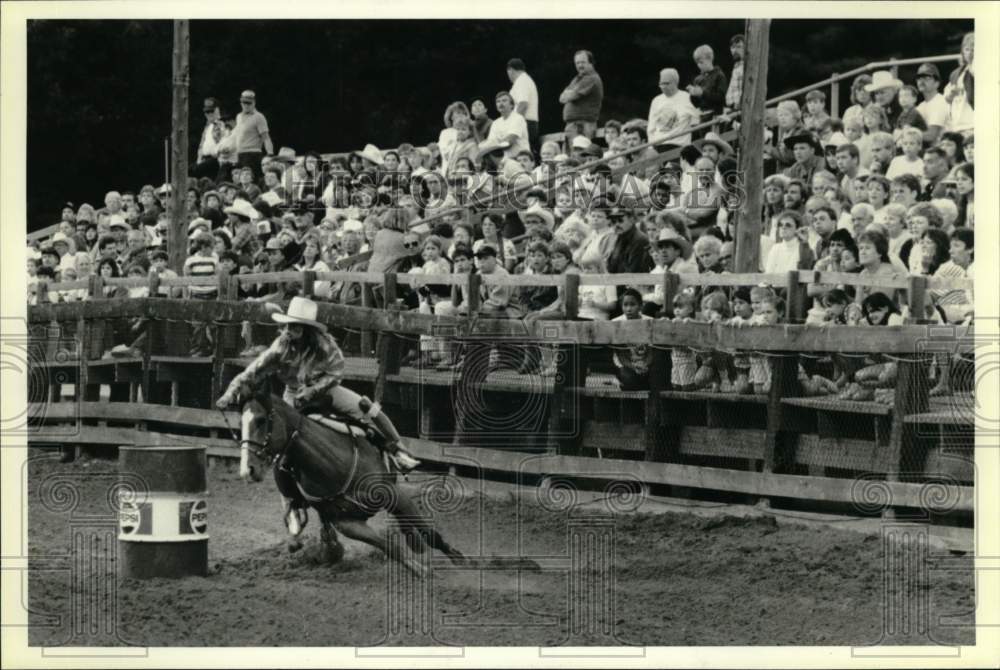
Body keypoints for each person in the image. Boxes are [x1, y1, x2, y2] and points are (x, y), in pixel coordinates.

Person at [648, 68, 698, 151]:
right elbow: (651, 126)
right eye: (661, 84)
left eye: (666, 83)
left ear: (675, 82)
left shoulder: (686, 97)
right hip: (658, 145)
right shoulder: (656, 100)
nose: (663, 87)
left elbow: (696, 122)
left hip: (678, 144)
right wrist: (650, 147)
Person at [559, 50, 603, 139]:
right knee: (574, 152)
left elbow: (571, 96)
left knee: (581, 152)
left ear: (591, 63)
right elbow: (561, 98)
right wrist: (569, 94)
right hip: (575, 126)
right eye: (577, 63)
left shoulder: (591, 78)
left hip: (582, 126)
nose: (580, 65)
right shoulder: (577, 79)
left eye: (583, 62)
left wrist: (570, 93)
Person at [232, 90, 274, 180]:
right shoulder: (238, 116)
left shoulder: (258, 117)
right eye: (244, 102)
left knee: (251, 180)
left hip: (252, 154)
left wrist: (270, 155)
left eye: (248, 103)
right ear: (241, 102)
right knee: (239, 181)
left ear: (254, 103)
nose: (246, 105)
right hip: (240, 154)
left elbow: (266, 137)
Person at [944, 32, 975, 134]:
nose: (970, 53)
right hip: (957, 125)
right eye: (967, 49)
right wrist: (951, 94)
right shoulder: (956, 73)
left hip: (973, 123)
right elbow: (947, 99)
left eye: (974, 50)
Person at [687, 45, 727, 120]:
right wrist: (693, 95)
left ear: (710, 58)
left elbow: (721, 98)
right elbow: (696, 104)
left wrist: (703, 93)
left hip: (716, 116)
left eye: (701, 62)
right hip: (702, 116)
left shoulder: (719, 75)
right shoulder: (697, 79)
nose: (699, 65)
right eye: (697, 63)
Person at [486, 91, 530, 160]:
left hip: (522, 158)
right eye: (498, 101)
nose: (501, 103)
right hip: (507, 160)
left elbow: (508, 143)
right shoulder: (495, 123)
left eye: (504, 100)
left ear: (512, 105)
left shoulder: (518, 118)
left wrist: (495, 144)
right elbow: (490, 144)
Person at [507, 58, 539, 148]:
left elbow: (523, 104)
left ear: (510, 71)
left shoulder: (522, 81)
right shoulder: (524, 80)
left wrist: (513, 123)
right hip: (525, 122)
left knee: (523, 154)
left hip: (525, 123)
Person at [724, 34, 745, 116]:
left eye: (739, 47)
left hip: (742, 109)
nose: (735, 50)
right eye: (733, 47)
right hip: (733, 109)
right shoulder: (736, 66)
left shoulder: (748, 67)